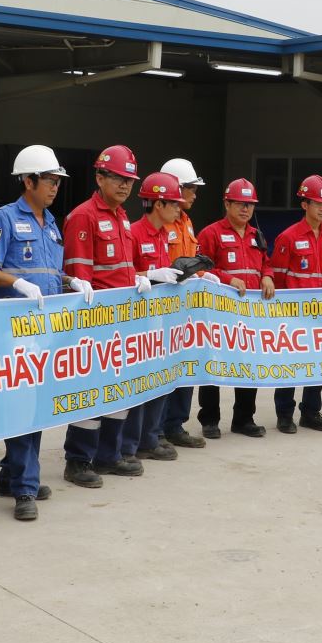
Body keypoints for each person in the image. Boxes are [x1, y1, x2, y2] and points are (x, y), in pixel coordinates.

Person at [0, 144, 93, 518]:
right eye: (49, 180)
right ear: (28, 181)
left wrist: (71, 280)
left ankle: (10, 475)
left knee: (36, 407)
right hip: (14, 330)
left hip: (46, 330)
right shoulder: (3, 219)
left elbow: (50, 273)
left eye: (58, 181)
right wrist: (17, 283)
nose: (55, 187)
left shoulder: (51, 224)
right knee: (22, 407)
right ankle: (24, 489)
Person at [62, 145, 156, 478]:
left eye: (129, 180)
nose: (124, 185)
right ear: (99, 177)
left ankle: (108, 455)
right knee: (91, 391)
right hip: (96, 322)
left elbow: (122, 268)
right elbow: (79, 277)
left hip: (123, 320)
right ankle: (78, 460)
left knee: (120, 388)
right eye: (117, 178)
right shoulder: (84, 216)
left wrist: (139, 278)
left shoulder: (121, 216)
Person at [264, 174, 322, 434]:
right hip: (293, 315)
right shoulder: (288, 237)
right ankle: (284, 414)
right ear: (304, 204)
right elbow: (278, 276)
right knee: (290, 365)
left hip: (321, 314)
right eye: (317, 203)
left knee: (318, 364)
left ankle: (311, 412)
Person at [128, 172, 193, 459]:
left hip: (161, 320)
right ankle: (134, 442)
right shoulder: (133, 233)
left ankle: (150, 437)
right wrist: (149, 274)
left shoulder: (166, 234)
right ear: (158, 204)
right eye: (174, 204)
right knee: (140, 382)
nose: (179, 208)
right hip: (138, 321)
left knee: (159, 379)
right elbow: (125, 274)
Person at [197, 178, 267, 437]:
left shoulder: (257, 235)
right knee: (213, 363)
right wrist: (228, 279)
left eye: (250, 204)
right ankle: (209, 420)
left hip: (250, 315)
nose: (246, 209)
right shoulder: (211, 233)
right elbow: (200, 268)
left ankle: (244, 419)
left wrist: (268, 276)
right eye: (240, 203)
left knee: (249, 364)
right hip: (218, 313)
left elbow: (266, 264)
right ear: (227, 204)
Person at [158, 157, 210, 448]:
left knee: (185, 366)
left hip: (186, 309)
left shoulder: (187, 222)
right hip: (164, 309)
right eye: (191, 188)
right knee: (164, 368)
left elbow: (190, 261)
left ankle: (175, 425)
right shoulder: (163, 223)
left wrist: (203, 275)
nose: (195, 194)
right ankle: (157, 430)